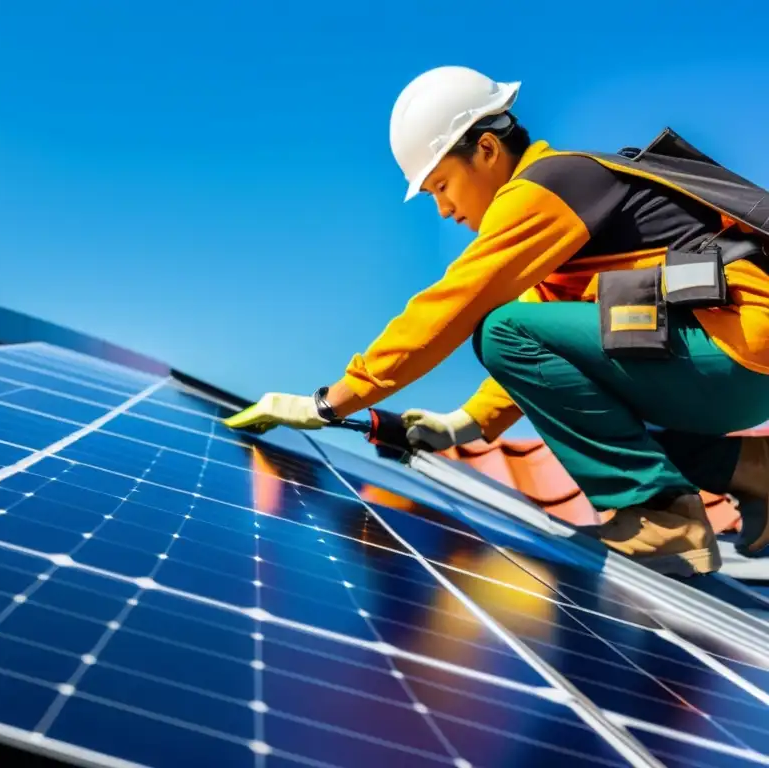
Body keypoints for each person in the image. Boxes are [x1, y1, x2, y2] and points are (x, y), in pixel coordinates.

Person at [222, 65, 769, 578]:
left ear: (485, 148)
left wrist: (332, 400)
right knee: (590, 409)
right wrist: (466, 424)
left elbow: (457, 305)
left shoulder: (547, 188)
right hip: (736, 362)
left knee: (499, 330)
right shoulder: (566, 216)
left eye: (441, 185)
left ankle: (661, 520)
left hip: (737, 351)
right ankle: (753, 469)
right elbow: (552, 349)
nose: (442, 209)